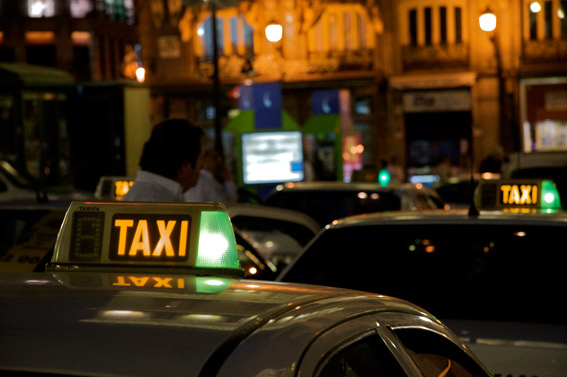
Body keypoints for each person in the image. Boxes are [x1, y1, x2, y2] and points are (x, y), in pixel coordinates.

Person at [122, 119, 205, 202]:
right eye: (201, 159)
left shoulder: (146, 193)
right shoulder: (161, 205)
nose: (202, 166)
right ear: (186, 165)